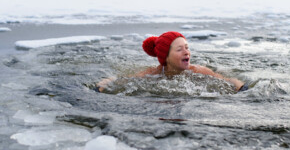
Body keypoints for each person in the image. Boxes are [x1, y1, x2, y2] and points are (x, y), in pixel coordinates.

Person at [96, 31, 247, 92]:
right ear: (165, 57)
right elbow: (123, 80)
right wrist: (104, 84)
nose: (186, 52)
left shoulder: (198, 71)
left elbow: (228, 81)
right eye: (179, 49)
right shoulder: (153, 73)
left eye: (187, 48)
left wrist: (241, 88)